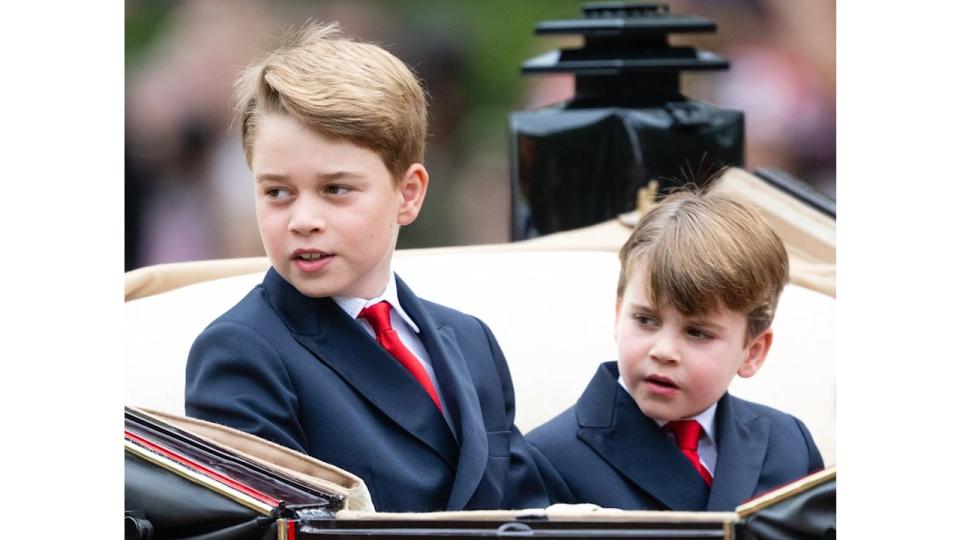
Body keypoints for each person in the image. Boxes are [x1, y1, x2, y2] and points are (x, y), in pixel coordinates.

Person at [184, 22, 548, 512]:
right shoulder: (241, 354)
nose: (304, 220)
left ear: (409, 193)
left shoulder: (470, 341)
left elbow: (527, 511)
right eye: (277, 192)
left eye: (335, 189)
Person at [527, 188, 824, 511]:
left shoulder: (789, 445)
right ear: (618, 315)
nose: (664, 351)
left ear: (752, 352)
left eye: (697, 332)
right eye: (645, 320)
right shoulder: (549, 459)